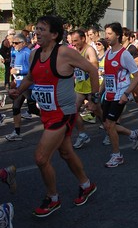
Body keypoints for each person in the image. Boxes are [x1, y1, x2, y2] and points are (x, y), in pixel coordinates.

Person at [9, 15, 99, 217]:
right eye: (36, 29)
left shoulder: (65, 53)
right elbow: (32, 77)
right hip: (47, 113)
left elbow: (92, 70)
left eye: (42, 29)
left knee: (41, 158)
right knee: (66, 153)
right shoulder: (34, 54)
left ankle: (53, 198)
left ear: (54, 34)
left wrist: (94, 99)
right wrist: (18, 90)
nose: (37, 32)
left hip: (63, 113)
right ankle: (86, 185)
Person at [101, 22, 138, 167]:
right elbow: (107, 76)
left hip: (120, 95)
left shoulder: (124, 54)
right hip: (109, 94)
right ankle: (133, 134)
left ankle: (117, 155)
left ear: (117, 35)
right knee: (107, 125)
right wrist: (98, 92)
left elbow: (137, 75)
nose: (106, 36)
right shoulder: (107, 53)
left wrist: (126, 93)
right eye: (105, 33)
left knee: (111, 125)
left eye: (110, 34)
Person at [70, 29, 100, 148]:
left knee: (98, 112)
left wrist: (81, 64)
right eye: (72, 41)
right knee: (73, 111)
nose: (73, 43)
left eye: (76, 41)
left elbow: (95, 65)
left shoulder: (89, 50)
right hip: (80, 87)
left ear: (83, 39)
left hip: (91, 87)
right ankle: (82, 134)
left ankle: (110, 130)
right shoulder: (75, 50)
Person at [5, 33, 37, 141]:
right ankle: (17, 132)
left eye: (16, 43)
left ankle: (52, 122)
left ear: (23, 43)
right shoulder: (17, 52)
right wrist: (14, 79)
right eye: (13, 43)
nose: (13, 45)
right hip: (19, 85)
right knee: (15, 108)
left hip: (28, 86)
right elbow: (17, 68)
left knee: (33, 109)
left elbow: (34, 70)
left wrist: (18, 71)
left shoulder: (28, 53)